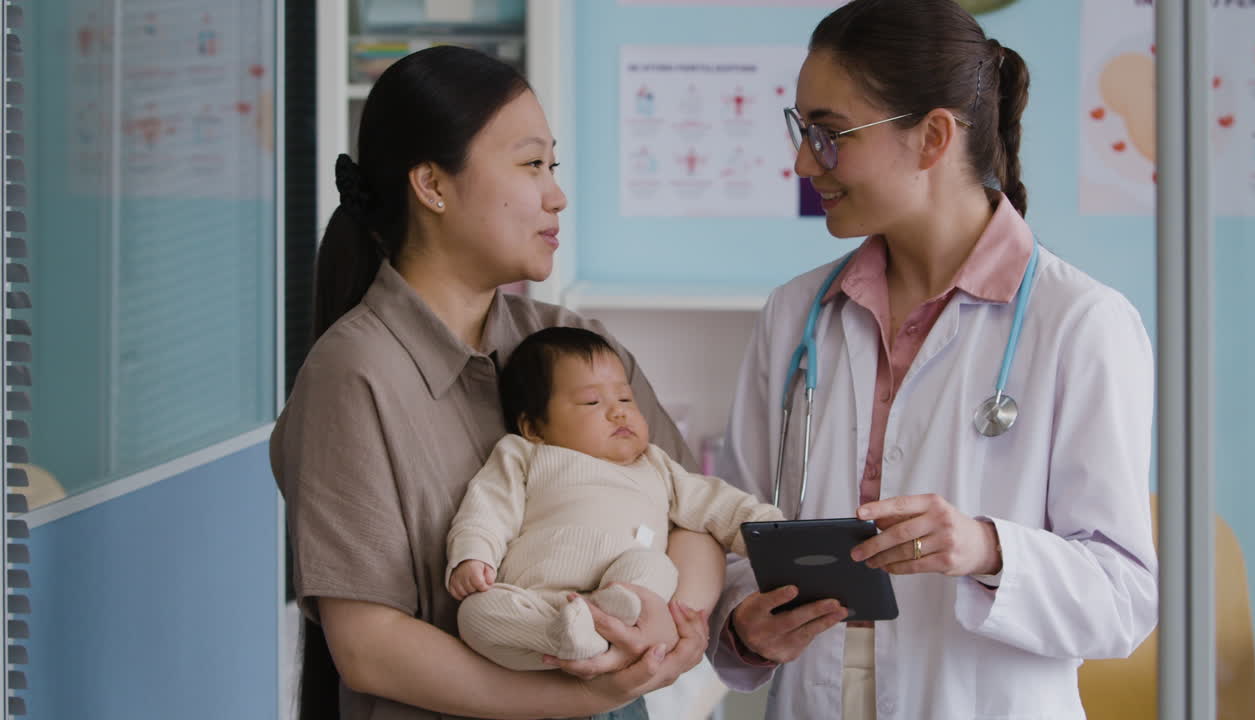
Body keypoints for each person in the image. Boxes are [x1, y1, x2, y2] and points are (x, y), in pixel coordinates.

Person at [706, 1, 1158, 718]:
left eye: (827, 134)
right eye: (801, 132)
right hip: (814, 695)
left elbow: (1124, 599)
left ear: (933, 137)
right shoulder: (795, 315)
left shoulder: (1079, 324)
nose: (801, 162)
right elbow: (730, 528)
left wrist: (987, 548)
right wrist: (742, 624)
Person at [271, 46, 722, 720]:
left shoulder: (571, 340)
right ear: (433, 186)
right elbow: (371, 648)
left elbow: (692, 518)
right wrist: (574, 697)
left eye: (554, 165)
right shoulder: (354, 375)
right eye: (531, 164)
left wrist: (675, 625)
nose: (556, 194)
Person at [446, 327, 784, 671]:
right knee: (476, 613)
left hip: (622, 593)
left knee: (656, 567)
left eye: (625, 399)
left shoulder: (657, 466)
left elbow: (720, 505)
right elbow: (488, 506)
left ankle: (601, 626)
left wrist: (776, 537)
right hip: (534, 602)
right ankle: (565, 636)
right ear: (535, 428)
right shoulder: (526, 454)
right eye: (592, 402)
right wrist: (474, 554)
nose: (618, 412)